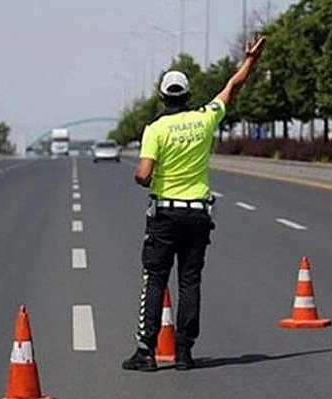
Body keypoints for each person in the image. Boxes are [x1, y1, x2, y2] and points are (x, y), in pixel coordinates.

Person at [122, 35, 267, 372]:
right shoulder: (204, 119)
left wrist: (150, 175)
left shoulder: (155, 129)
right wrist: (250, 61)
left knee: (155, 277)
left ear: (161, 95)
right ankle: (185, 351)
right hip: (198, 215)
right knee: (190, 280)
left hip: (165, 215)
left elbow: (143, 174)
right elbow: (231, 88)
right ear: (187, 96)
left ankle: (146, 350)